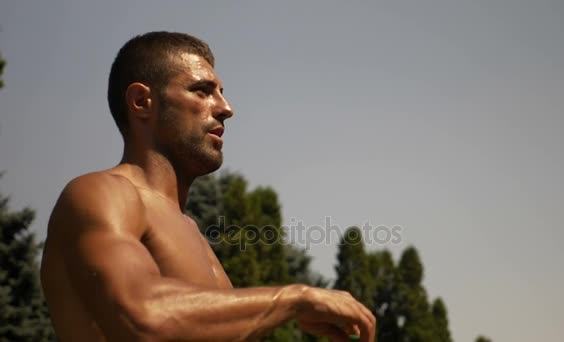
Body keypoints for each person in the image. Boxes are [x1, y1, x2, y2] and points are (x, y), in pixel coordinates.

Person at [40, 31, 375, 342]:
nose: (225, 109)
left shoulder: (191, 232)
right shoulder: (102, 193)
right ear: (142, 101)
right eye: (201, 91)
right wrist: (295, 299)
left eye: (221, 94)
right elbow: (141, 316)